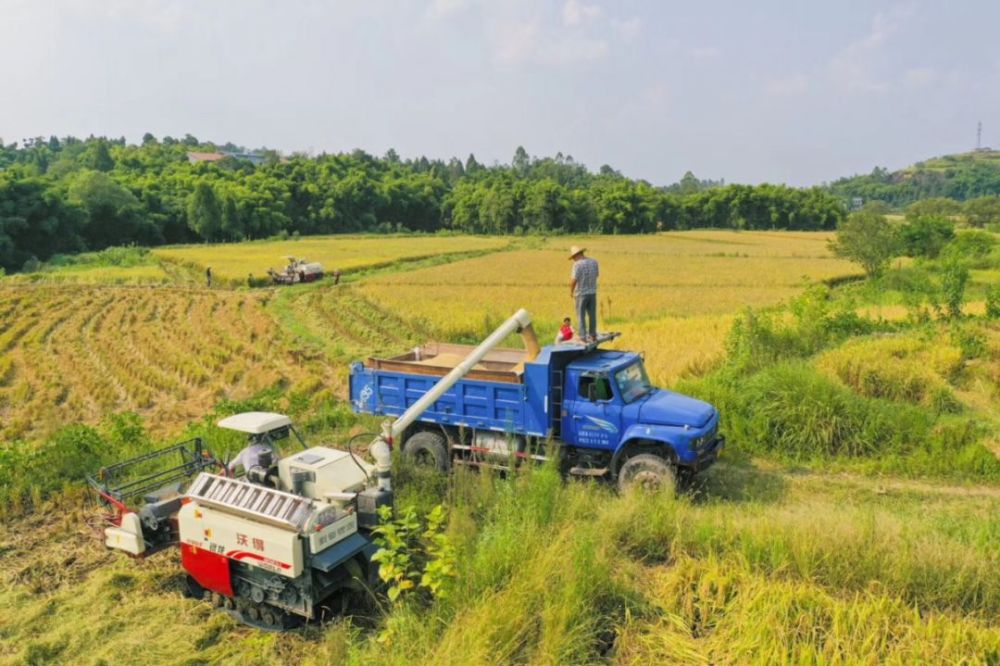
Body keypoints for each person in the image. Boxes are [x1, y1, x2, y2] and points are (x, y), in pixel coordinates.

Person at [569, 245, 599, 342]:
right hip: (592, 293)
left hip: (581, 294)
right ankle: (593, 335)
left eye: (573, 257)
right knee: (592, 315)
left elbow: (574, 280)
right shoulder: (594, 262)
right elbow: (596, 275)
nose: (573, 259)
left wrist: (571, 291)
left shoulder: (577, 265)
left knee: (580, 315)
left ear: (576, 255)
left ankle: (582, 337)